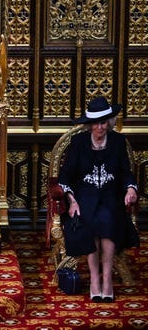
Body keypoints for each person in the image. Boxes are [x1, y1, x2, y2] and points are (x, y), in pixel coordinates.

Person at [59, 96, 139, 303]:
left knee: (109, 220)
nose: (99, 127)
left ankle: (107, 279)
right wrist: (72, 200)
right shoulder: (78, 142)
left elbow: (125, 172)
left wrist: (130, 188)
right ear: (89, 125)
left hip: (111, 195)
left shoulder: (118, 142)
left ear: (109, 123)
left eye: (103, 122)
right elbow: (65, 176)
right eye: (95, 123)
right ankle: (95, 278)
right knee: (89, 221)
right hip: (84, 195)